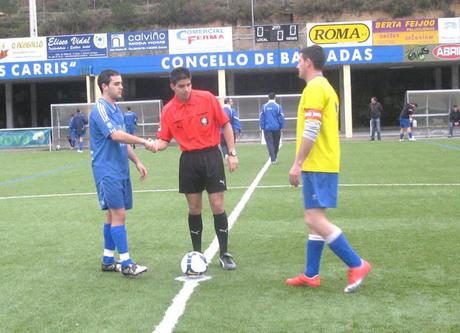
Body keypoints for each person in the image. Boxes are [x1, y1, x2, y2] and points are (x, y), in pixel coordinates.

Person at [285, 45, 371, 293]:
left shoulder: (315, 88)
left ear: (308, 62)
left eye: (299, 60)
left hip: (318, 163)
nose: (297, 65)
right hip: (323, 162)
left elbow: (312, 129)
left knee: (313, 218)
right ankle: (311, 274)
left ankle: (357, 264)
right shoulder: (325, 88)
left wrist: (298, 163)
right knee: (314, 221)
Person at [153, 67, 239, 270]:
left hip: (212, 156)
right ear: (172, 86)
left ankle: (225, 253)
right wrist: (155, 146)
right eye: (181, 86)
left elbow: (225, 125)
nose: (186, 90)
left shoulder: (207, 98)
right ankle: (197, 254)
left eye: (189, 85)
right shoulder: (168, 110)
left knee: (217, 206)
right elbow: (164, 140)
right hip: (189, 161)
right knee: (194, 208)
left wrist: (232, 153)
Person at [89, 69, 157, 277]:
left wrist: (137, 161)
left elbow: (122, 140)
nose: (121, 86)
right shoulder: (99, 109)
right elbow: (116, 135)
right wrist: (145, 141)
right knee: (119, 214)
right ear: (104, 86)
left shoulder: (116, 109)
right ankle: (126, 264)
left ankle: (108, 260)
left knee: (111, 215)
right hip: (107, 170)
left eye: (121, 83)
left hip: (120, 168)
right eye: (116, 83)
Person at [259, 92, 285, 164]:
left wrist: (262, 126)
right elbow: (281, 117)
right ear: (275, 97)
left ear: (268, 97)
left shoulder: (264, 106)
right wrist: (281, 126)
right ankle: (274, 157)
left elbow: (262, 117)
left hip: (267, 128)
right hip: (276, 128)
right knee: (276, 143)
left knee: (269, 143)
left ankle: (273, 159)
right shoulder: (278, 106)